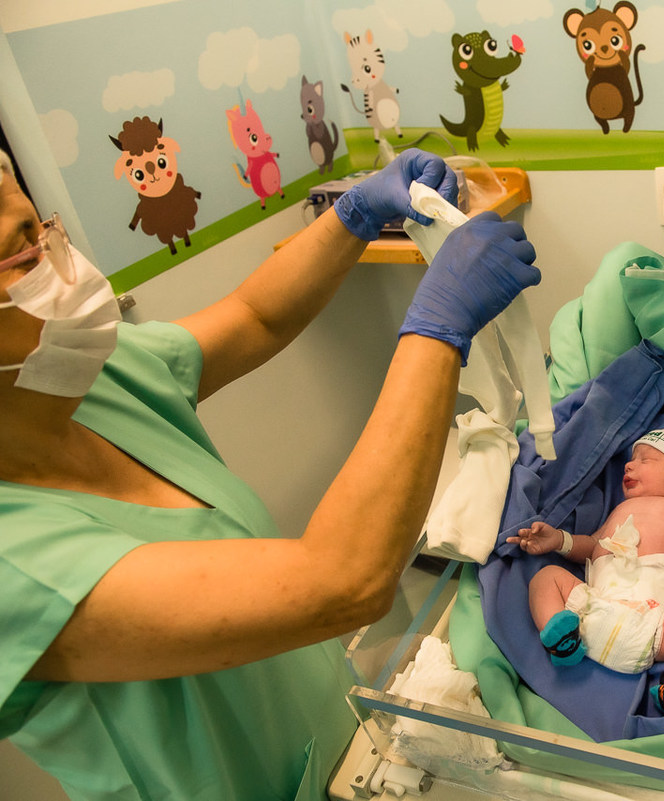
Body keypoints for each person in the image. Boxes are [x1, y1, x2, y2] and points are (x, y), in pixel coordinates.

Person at [0, 147, 540, 800]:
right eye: (21, 264)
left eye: (40, 234)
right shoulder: (15, 564)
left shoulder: (91, 380)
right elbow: (344, 581)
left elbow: (255, 316)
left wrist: (355, 213)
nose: (41, 245)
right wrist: (438, 325)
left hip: (337, 745)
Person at [506, 422, 664, 718]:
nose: (629, 465)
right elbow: (592, 546)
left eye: (645, 460)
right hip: (590, 608)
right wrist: (559, 540)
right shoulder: (622, 508)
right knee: (544, 578)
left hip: (654, 621)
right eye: (632, 459)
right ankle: (561, 640)